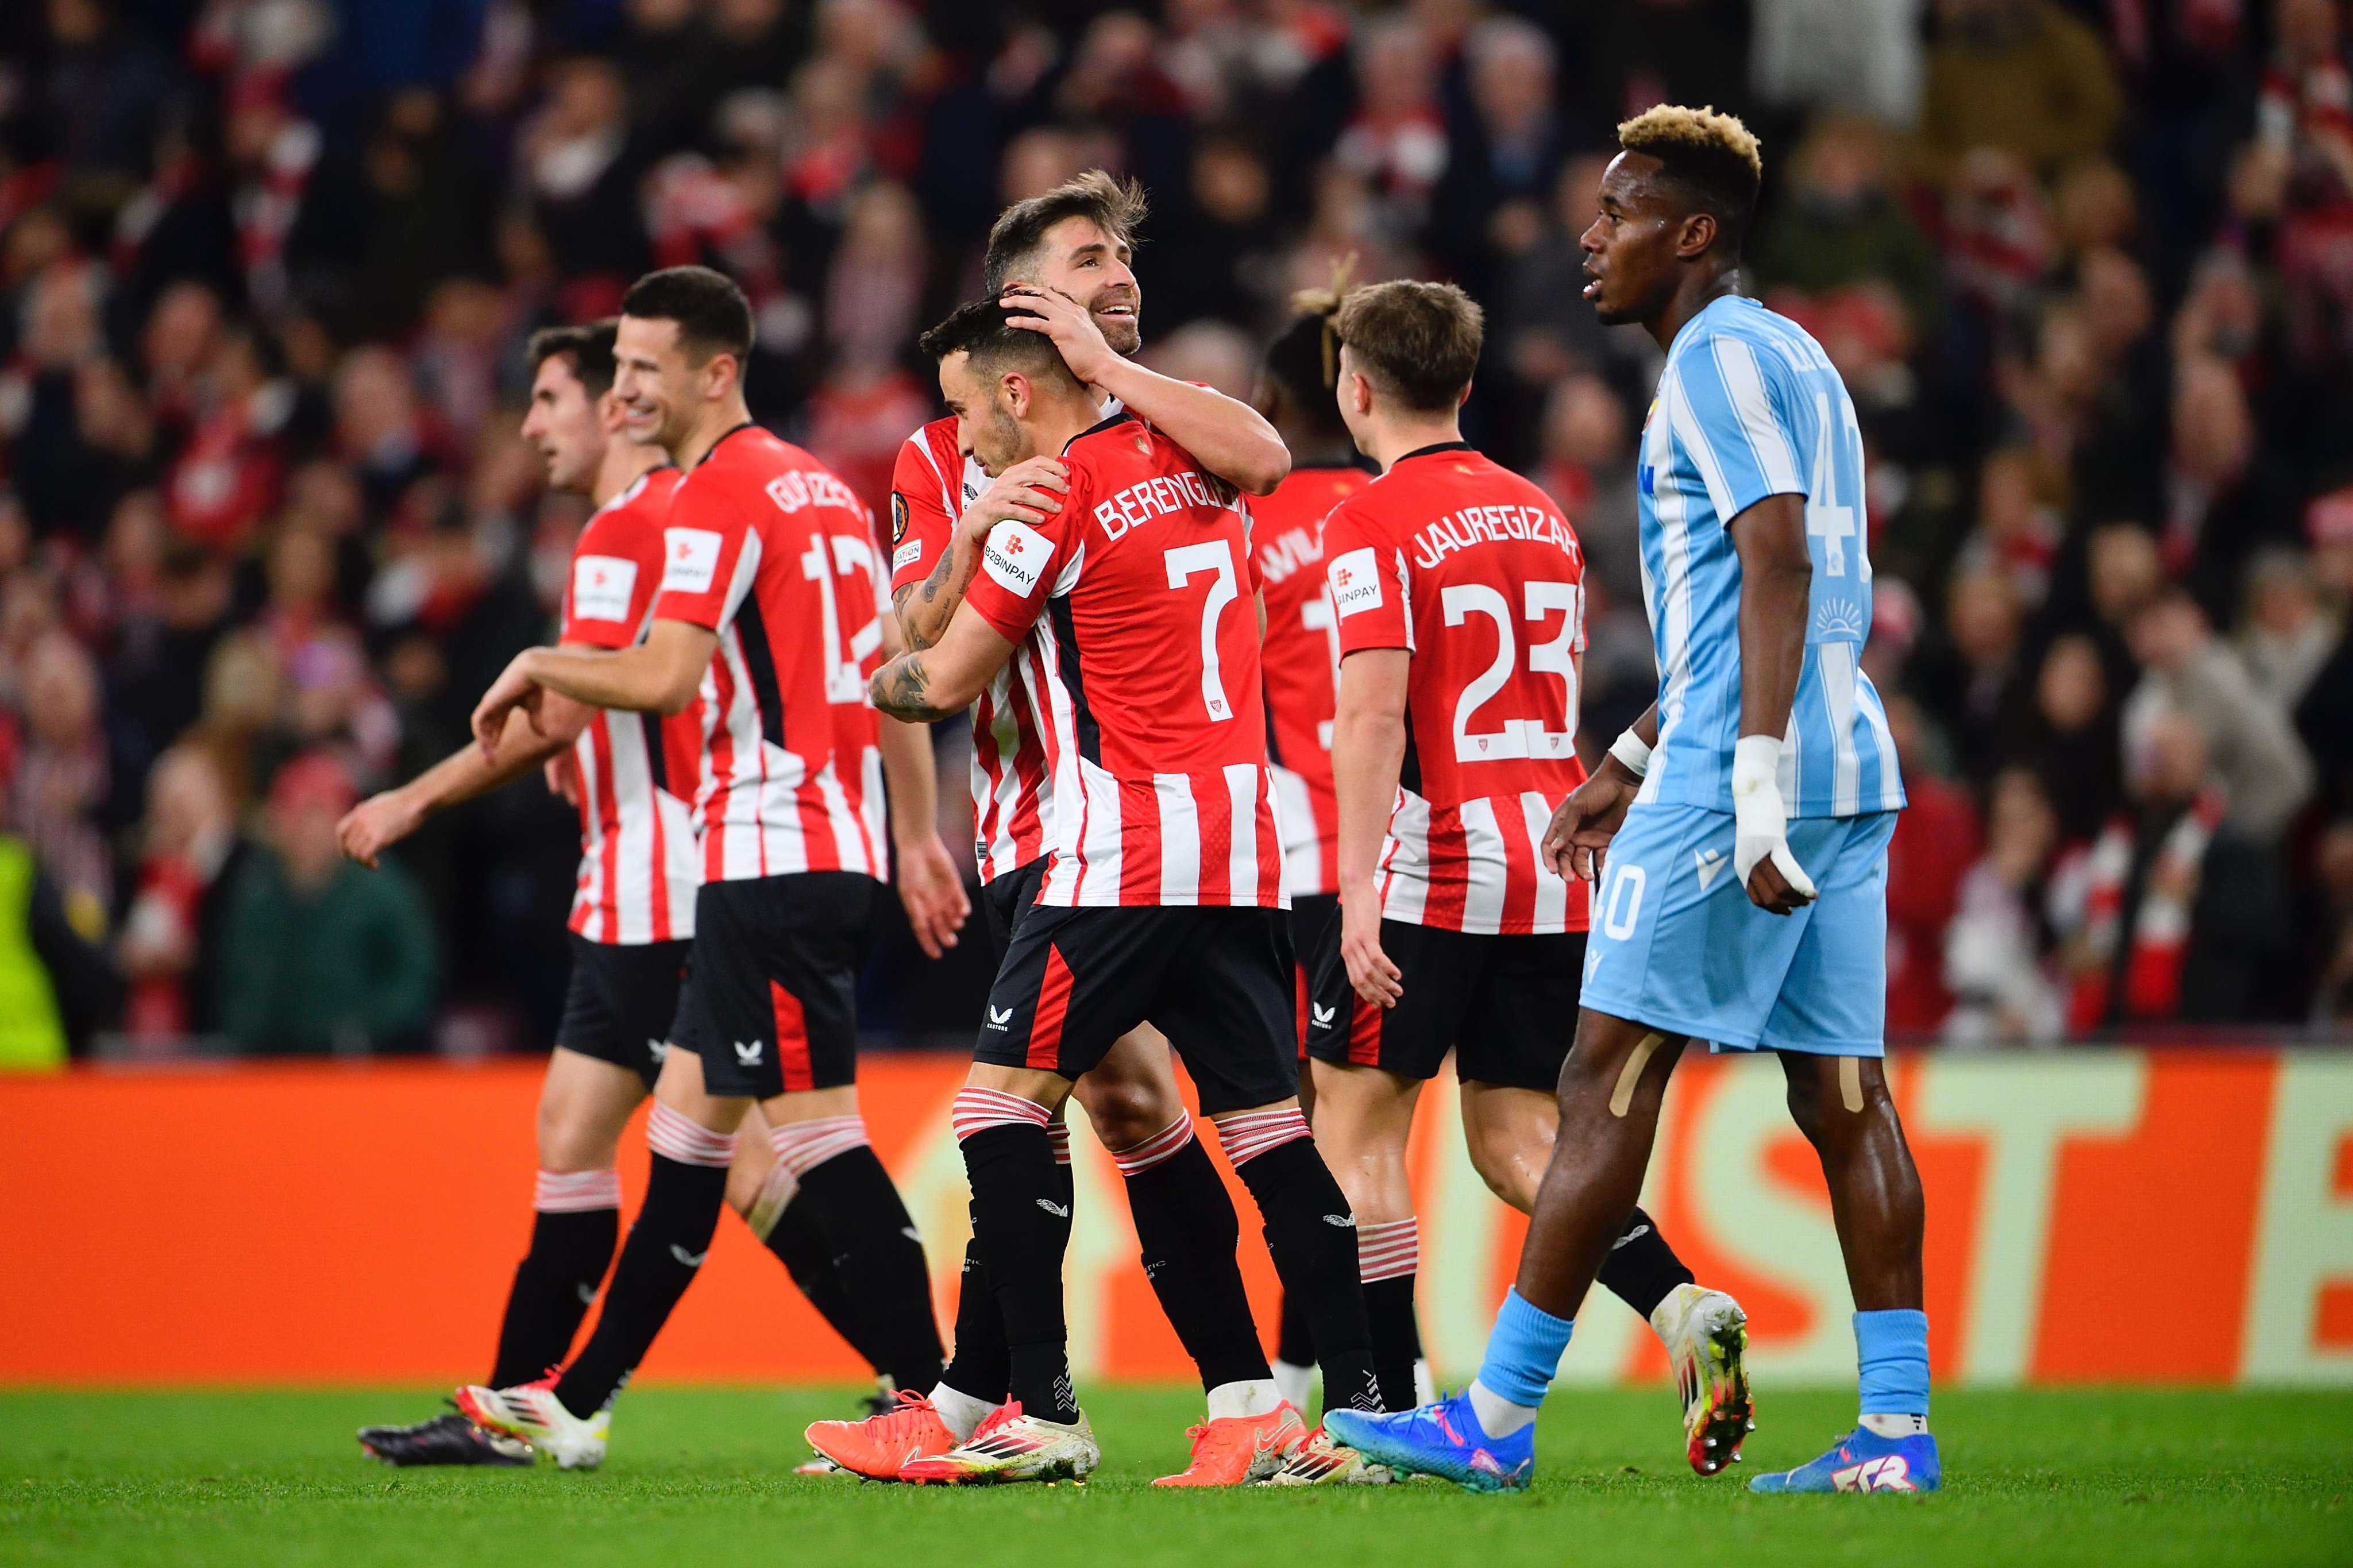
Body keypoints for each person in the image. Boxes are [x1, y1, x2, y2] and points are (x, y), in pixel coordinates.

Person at [1322, 105, 1938, 1497]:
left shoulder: (1712, 360)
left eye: (1621, 214)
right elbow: (1790, 599)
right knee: (1846, 1098)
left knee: (1601, 1085)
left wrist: (1746, 786)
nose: (1591, 240)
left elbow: (1774, 563)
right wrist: (1635, 754)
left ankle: (1496, 1415)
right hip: (1841, 758)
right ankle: (1897, 1434)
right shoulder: (1800, 357)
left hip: (1753, 781)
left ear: (1696, 233)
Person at [345, 322, 936, 1466]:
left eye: (554, 400)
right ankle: (551, 1404)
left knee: (760, 1154)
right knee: (633, 1138)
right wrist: (908, 830)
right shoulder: (773, 497)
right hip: (689, 868)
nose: (534, 426)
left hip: (687, 876)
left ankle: (936, 1387)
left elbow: (585, 706)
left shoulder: (640, 527)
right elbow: (875, 663)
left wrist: (417, 797)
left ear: (624, 409)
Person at [809, 172, 1307, 1488]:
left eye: (1129, 252)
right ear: (1017, 287)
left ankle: (1061, 1400)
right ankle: (1038, 1396)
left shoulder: (1170, 423)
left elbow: (1267, 462)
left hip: (1140, 829)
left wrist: (1106, 367)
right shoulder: (945, 447)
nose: (1125, 273)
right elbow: (914, 636)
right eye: (1092, 255)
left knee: (1105, 1099)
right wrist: (922, 829)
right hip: (1045, 823)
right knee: (1103, 1101)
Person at [1289, 277, 1749, 1484]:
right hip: (1551, 862)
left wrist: (1347, 893)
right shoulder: (1540, 513)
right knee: (1515, 1136)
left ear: (1355, 387)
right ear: (1466, 385)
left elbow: (1373, 712)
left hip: (1435, 862)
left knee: (1355, 1125)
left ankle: (1385, 1413)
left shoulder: (1370, 520)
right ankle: (1676, 1307)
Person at [1245, 291, 1378, 1415]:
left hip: (1295, 857)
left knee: (1306, 1129)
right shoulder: (1395, 510)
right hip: (1409, 855)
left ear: (1272, 401)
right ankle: (1301, 1370)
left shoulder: (1251, 522)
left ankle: (1379, 1372)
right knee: (1353, 1127)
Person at [216, 750, 438, 1055]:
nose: (308, 830)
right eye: (297, 816)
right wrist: (249, 1031)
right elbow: (235, 973)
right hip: (271, 1064)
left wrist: (365, 1030)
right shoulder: (257, 888)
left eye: (319, 815)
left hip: (360, 1063)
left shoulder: (378, 886)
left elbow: (414, 972)